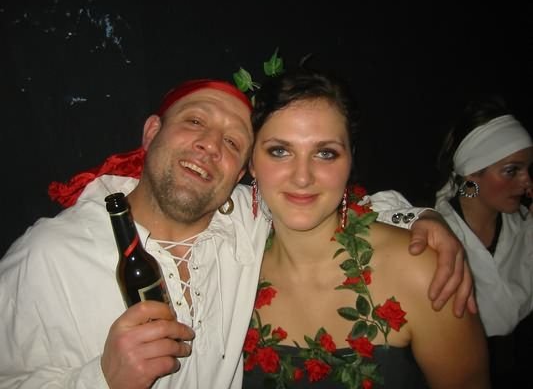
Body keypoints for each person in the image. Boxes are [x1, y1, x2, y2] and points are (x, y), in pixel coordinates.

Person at [0, 79, 471, 389]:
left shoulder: (243, 227)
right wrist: (102, 380)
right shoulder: (47, 256)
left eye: (232, 141)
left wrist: (423, 217)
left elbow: (321, 198)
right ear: (151, 132)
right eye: (195, 121)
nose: (210, 145)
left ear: (242, 171)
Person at [242, 70, 490, 388]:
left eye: (325, 153)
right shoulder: (230, 274)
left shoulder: (423, 271)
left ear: (350, 161)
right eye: (280, 151)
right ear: (251, 161)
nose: (302, 177)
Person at [434, 95, 533, 386]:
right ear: (473, 174)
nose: (527, 182)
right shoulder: (436, 232)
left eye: (528, 169)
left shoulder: (523, 228)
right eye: (512, 170)